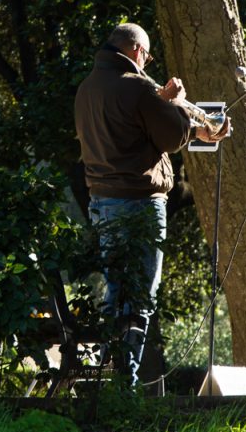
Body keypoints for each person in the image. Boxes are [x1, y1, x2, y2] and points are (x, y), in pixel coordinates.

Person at [73, 22, 229, 386]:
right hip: (138, 204)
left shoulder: (86, 89)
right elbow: (172, 137)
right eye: (147, 54)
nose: (148, 61)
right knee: (140, 297)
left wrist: (166, 109)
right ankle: (124, 384)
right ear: (136, 51)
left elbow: (127, 133)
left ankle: (108, 377)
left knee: (117, 292)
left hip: (101, 202)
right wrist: (173, 104)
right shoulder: (137, 86)